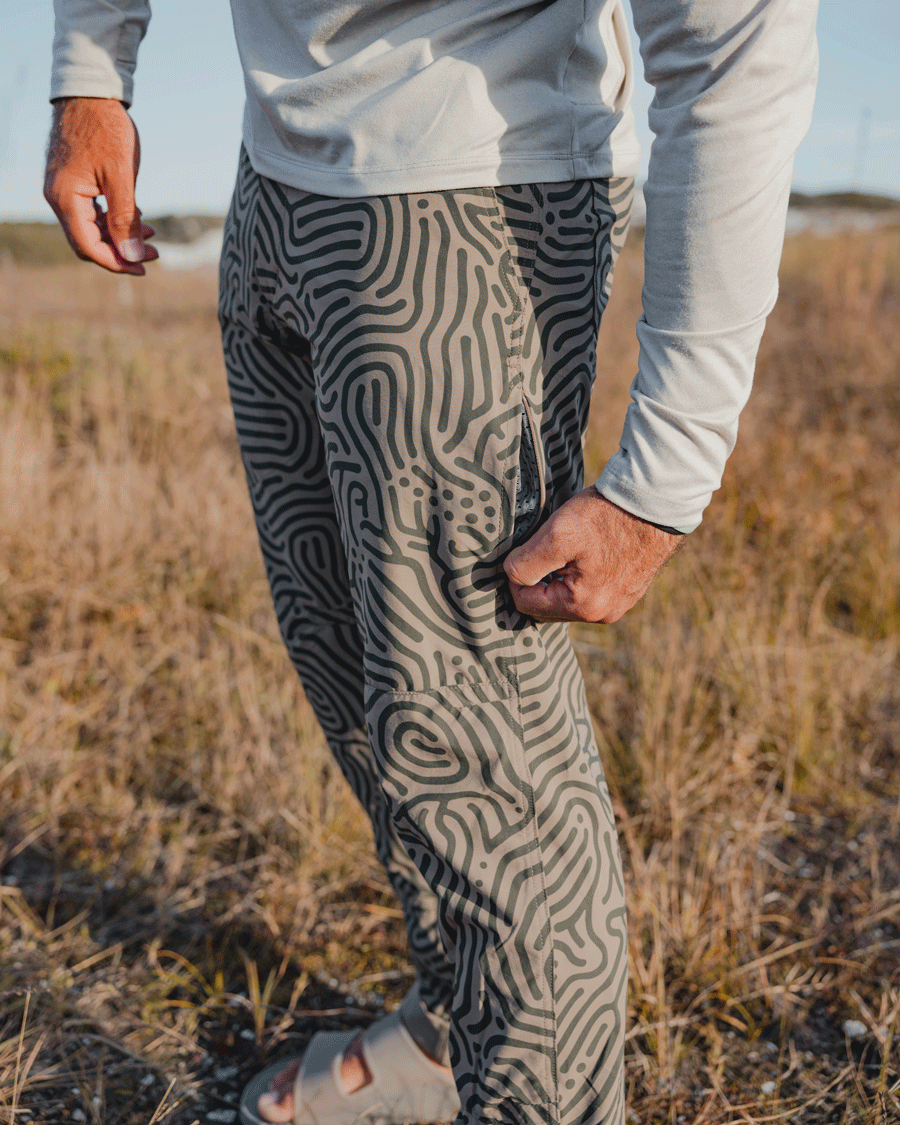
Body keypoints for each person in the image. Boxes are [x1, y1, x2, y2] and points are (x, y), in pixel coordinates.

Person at [44, 2, 818, 1123]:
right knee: (349, 670)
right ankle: (458, 1025)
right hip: (272, 184)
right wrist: (90, 71)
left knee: (480, 758)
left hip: (471, 199)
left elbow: (735, 42)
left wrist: (664, 477)